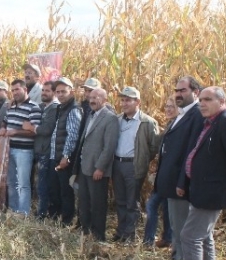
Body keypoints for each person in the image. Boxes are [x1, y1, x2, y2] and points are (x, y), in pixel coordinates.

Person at [178, 86, 226, 260]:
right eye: (200, 100)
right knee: (205, 237)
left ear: (222, 102)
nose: (202, 103)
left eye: (208, 100)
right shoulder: (210, 122)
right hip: (202, 189)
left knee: (190, 236)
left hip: (212, 191)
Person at [153, 76, 204, 260]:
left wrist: (182, 181)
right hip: (170, 183)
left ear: (196, 92)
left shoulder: (196, 116)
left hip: (180, 185)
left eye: (183, 90)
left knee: (182, 227)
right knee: (175, 225)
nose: (178, 94)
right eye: (176, 90)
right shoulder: (181, 115)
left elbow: (190, 152)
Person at [112, 87, 159, 243]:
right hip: (117, 164)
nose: (124, 104)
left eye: (128, 100)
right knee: (120, 200)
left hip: (133, 165)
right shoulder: (117, 120)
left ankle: (129, 234)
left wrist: (142, 160)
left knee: (132, 201)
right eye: (123, 100)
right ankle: (120, 231)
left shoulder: (147, 122)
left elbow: (153, 147)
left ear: (137, 102)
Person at [73, 88, 118, 241]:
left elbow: (109, 146)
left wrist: (100, 167)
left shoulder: (110, 118)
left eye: (96, 97)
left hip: (97, 170)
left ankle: (98, 237)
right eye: (91, 97)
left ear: (105, 99)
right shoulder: (90, 115)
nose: (92, 100)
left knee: (97, 205)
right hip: (85, 167)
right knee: (84, 203)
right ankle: (86, 233)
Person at [0, 79, 41, 215]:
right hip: (9, 148)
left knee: (23, 183)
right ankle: (13, 209)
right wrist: (2, 128)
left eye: (17, 89)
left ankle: (23, 213)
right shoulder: (11, 106)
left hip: (24, 150)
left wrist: (16, 131)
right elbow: (5, 122)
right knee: (11, 182)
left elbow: (35, 132)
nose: (15, 93)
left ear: (25, 90)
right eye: (13, 90)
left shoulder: (34, 107)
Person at [143, 96, 177, 247]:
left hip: (171, 178)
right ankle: (151, 240)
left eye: (172, 106)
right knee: (154, 206)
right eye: (167, 106)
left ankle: (163, 239)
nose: (168, 109)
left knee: (161, 208)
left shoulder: (179, 127)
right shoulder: (170, 126)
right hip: (162, 178)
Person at [23, 80, 60, 219]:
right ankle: (41, 210)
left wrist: (31, 128)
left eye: (47, 91)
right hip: (38, 149)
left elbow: (47, 130)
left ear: (54, 93)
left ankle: (43, 213)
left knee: (43, 184)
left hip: (47, 151)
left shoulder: (55, 108)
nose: (44, 93)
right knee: (39, 184)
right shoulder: (41, 106)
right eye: (43, 90)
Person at [48, 77, 82, 226]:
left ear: (71, 91)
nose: (60, 94)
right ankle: (57, 217)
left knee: (65, 191)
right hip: (56, 156)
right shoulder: (61, 108)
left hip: (64, 159)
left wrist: (66, 156)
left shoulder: (73, 110)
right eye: (58, 92)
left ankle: (66, 221)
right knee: (55, 188)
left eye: (63, 91)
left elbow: (73, 135)